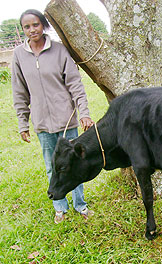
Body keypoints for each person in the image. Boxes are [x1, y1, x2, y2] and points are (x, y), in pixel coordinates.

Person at [12, 9, 94, 224]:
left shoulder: (59, 51)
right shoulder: (19, 55)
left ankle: (80, 205)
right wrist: (23, 123)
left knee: (73, 165)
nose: (32, 30)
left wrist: (84, 113)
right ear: (23, 30)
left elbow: (75, 84)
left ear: (43, 25)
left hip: (66, 120)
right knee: (51, 166)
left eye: (36, 25)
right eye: (27, 26)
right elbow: (19, 92)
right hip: (42, 124)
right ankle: (60, 207)